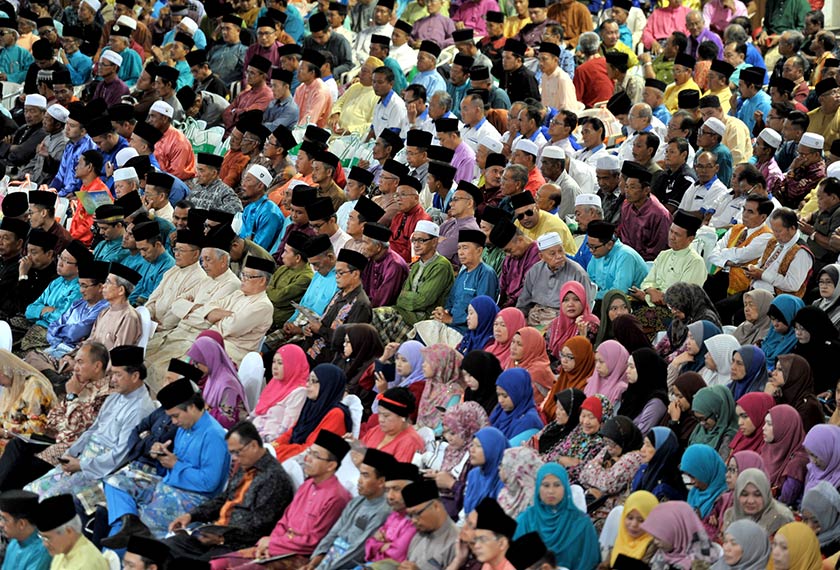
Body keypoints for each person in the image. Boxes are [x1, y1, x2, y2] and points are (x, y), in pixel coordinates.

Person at [100, 378, 230, 545]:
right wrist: (162, 453)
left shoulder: (214, 435)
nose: (174, 422)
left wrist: (176, 465)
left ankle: (124, 540)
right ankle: (126, 524)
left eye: (175, 416)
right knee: (114, 482)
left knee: (142, 521)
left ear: (191, 407)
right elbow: (174, 461)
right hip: (168, 483)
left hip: (194, 498)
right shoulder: (186, 427)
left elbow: (209, 483)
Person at [208, 430, 352, 569]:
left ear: (331, 465)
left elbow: (312, 542)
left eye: (315, 456)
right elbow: (284, 521)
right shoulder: (308, 485)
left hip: (299, 556)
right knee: (217, 564)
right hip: (277, 546)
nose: (307, 459)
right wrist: (268, 543)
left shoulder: (337, 497)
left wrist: (273, 545)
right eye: (309, 453)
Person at [164, 421, 294, 562]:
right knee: (165, 548)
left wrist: (222, 538)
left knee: (190, 565)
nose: (234, 458)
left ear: (253, 446)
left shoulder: (274, 478)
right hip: (217, 534)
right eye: (231, 453)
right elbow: (224, 498)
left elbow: (259, 526)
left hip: (238, 544)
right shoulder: (245, 466)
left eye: (237, 452)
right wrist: (191, 516)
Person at [514, 463, 600, 569]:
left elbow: (589, 563)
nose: (551, 491)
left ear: (565, 487)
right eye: (545, 485)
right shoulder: (526, 520)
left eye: (557, 485)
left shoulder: (581, 523)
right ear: (538, 488)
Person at [270, 364, 351, 462]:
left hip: (309, 464)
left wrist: (276, 452)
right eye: (308, 380)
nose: (307, 384)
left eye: (313, 381)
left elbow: (311, 450)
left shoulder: (336, 415)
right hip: (293, 457)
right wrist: (273, 446)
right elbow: (292, 432)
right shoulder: (312, 405)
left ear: (327, 385)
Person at [34, 493, 109, 569]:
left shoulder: (84, 565)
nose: (45, 544)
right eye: (42, 538)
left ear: (69, 531)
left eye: (47, 538)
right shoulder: (62, 552)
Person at [400, 480, 460, 569]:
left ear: (436, 506)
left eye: (417, 513)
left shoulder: (456, 542)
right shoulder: (419, 535)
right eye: (410, 515)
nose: (413, 520)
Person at [762, 404, 809, 507]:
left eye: (769, 424)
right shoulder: (768, 447)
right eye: (765, 423)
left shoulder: (798, 461)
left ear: (784, 428)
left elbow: (784, 500)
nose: (763, 428)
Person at [722, 468, 795, 536]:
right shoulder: (730, 515)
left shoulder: (781, 518)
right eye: (744, 494)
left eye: (757, 495)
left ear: (766, 494)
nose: (751, 501)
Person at [361, 387, 425, 462]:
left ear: (402, 417)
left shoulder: (411, 443)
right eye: (379, 414)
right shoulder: (376, 430)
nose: (380, 419)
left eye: (386, 415)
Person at [768, 355, 824, 432]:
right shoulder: (780, 394)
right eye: (775, 368)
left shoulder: (809, 407)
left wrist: (767, 398)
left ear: (794, 374)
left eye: (780, 369)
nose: (773, 373)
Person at [618, 348, 668, 432]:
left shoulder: (656, 402)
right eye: (628, 366)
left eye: (632, 367)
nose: (627, 371)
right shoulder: (632, 393)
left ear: (644, 369)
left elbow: (641, 434)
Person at [632, 426, 688, 502]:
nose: (642, 449)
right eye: (644, 443)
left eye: (648, 445)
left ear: (662, 450)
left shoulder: (668, 486)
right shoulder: (644, 469)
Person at [0, 490, 51, 570]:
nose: (1, 524)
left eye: (4, 519)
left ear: (21, 524)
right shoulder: (14, 544)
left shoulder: (42, 551)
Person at [490, 368, 544, 443]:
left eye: (505, 396)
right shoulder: (500, 411)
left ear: (519, 393)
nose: (500, 400)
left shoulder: (529, 421)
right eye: (498, 395)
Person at [609, 490, 659, 567]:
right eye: (630, 518)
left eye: (641, 520)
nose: (634, 524)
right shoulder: (622, 536)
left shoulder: (653, 545)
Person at [690, 385, 739, 459]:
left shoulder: (730, 437)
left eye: (703, 419)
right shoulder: (700, 429)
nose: (701, 423)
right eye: (698, 419)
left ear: (717, 412)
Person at [800, 481, 840, 557]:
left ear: (830, 516)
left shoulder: (836, 548)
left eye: (815, 521)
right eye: (805, 519)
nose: (809, 526)